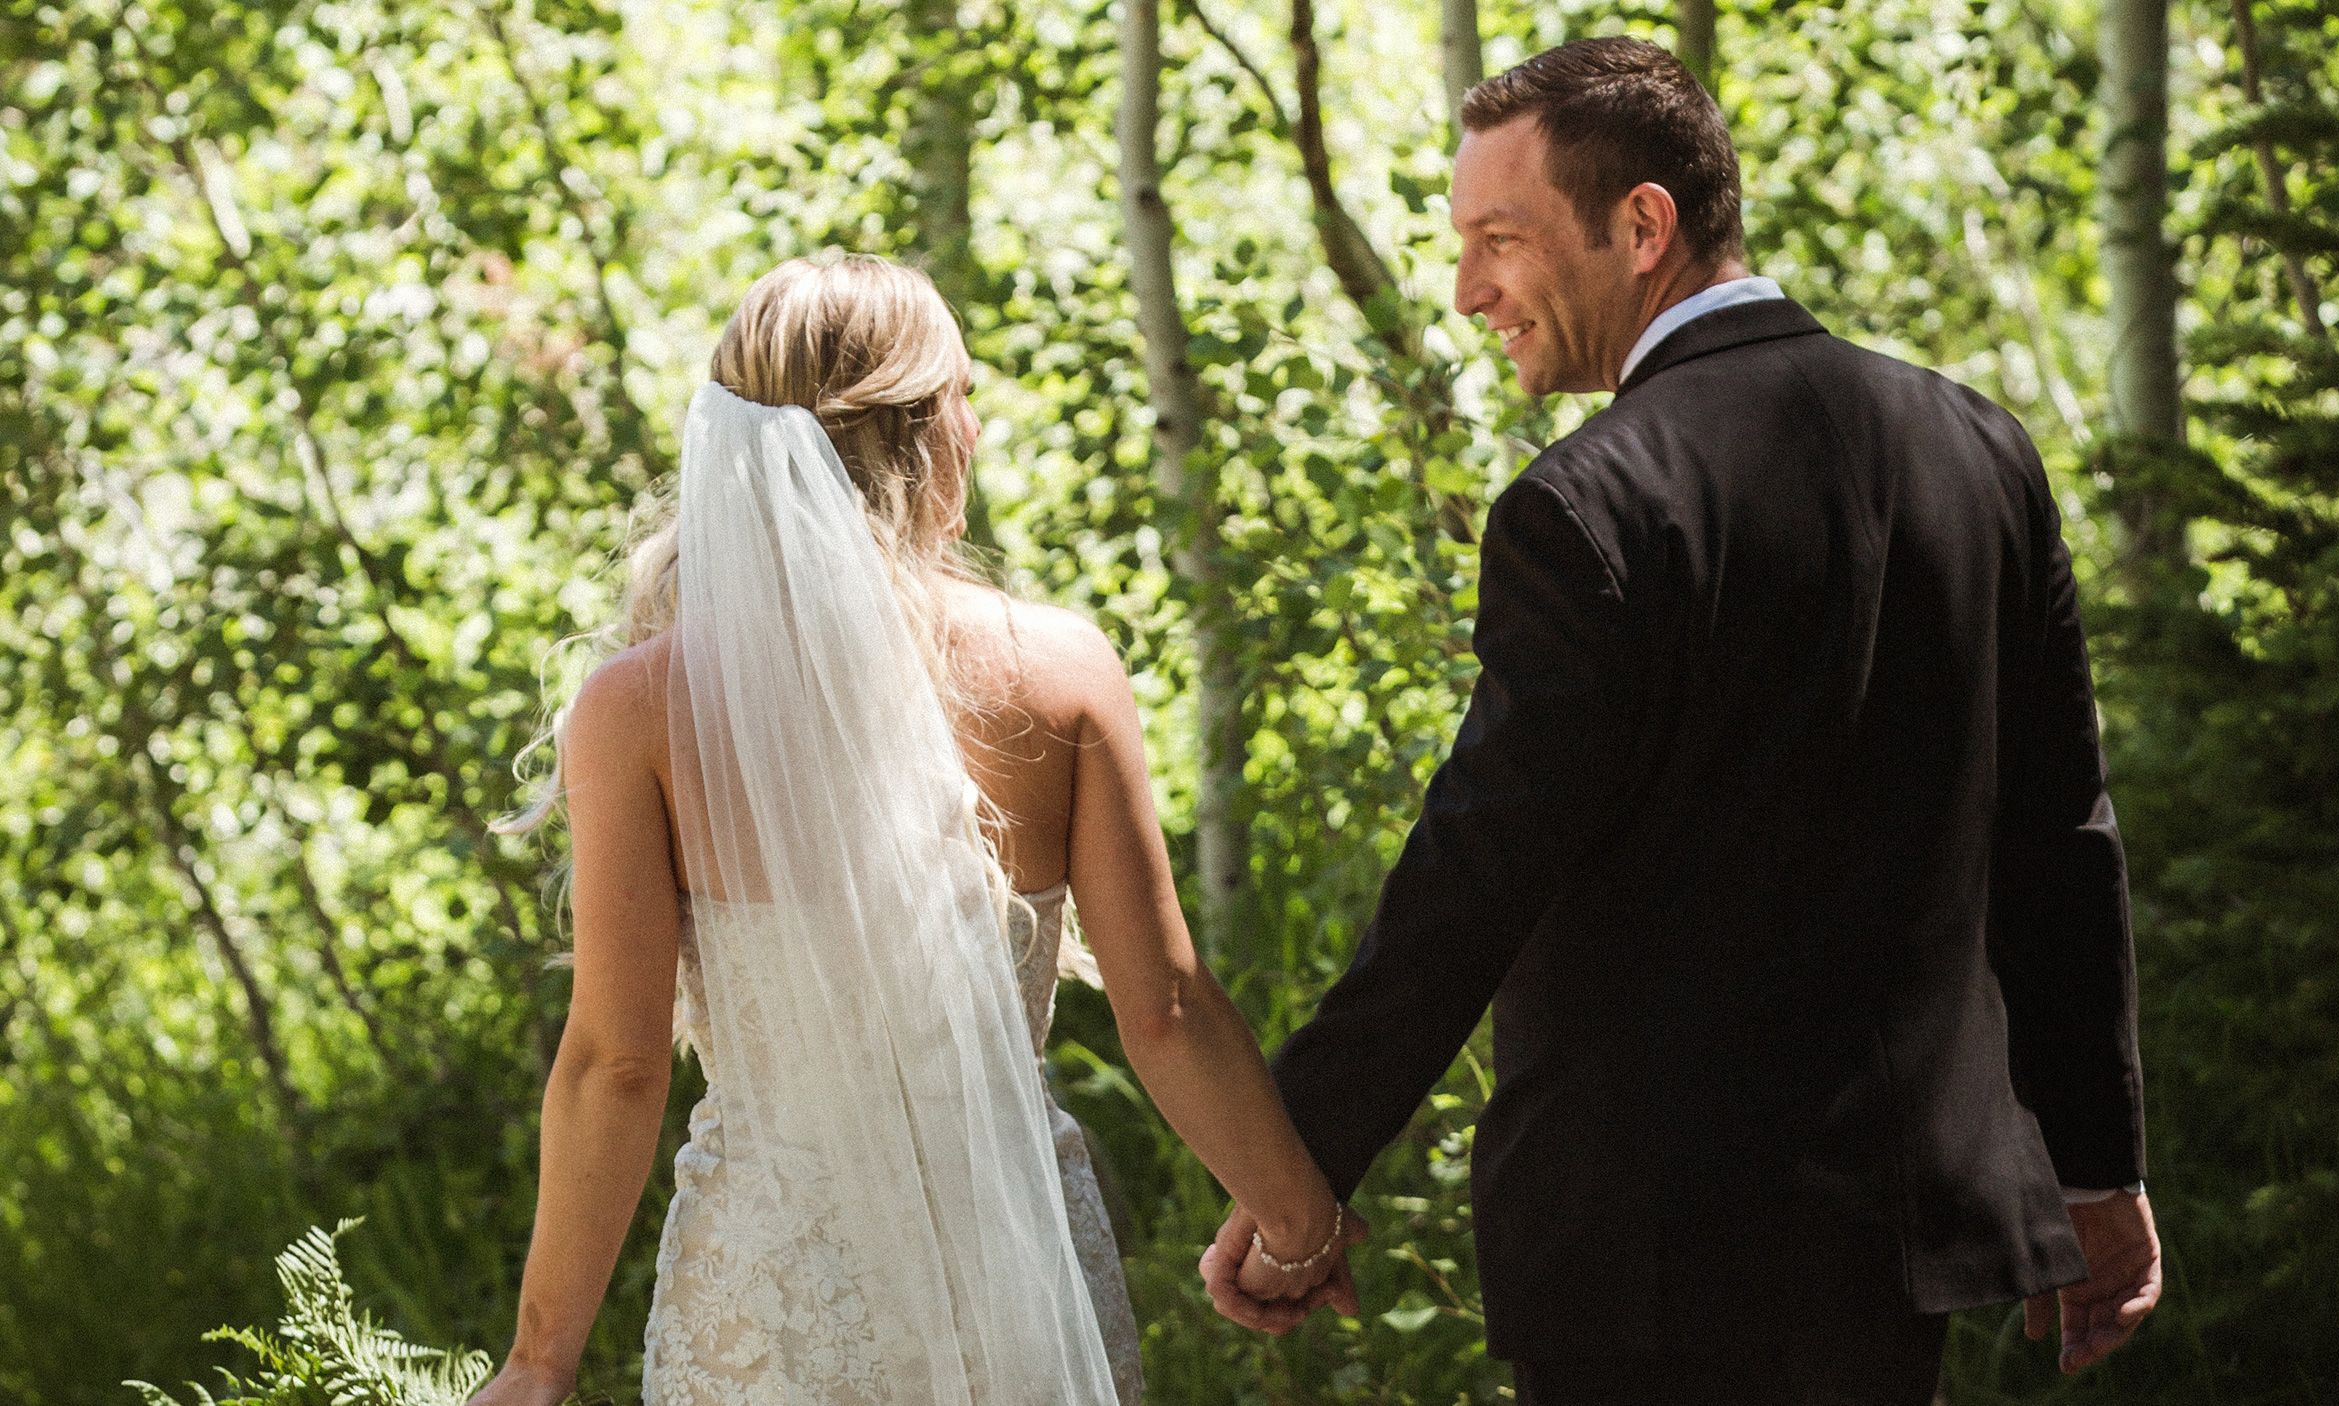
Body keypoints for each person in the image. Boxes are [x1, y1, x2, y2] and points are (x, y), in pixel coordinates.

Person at [1200, 36, 2160, 1405]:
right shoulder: (1978, 448)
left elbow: (1477, 870)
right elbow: (2061, 836)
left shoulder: (1592, 504)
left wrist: (1294, 1163)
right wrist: (2099, 1164)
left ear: (1642, 224)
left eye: (1500, 239)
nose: (1470, 290)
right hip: (1904, 1241)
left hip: (1649, 1258)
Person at [465, 252, 1349, 1406]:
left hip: (769, 1293)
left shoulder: (638, 710)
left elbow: (616, 1062)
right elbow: (1166, 1006)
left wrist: (540, 1360)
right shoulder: (1061, 672)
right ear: (925, 432)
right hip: (1012, 1270)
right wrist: (1296, 1220)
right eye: (964, 396)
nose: (975, 428)